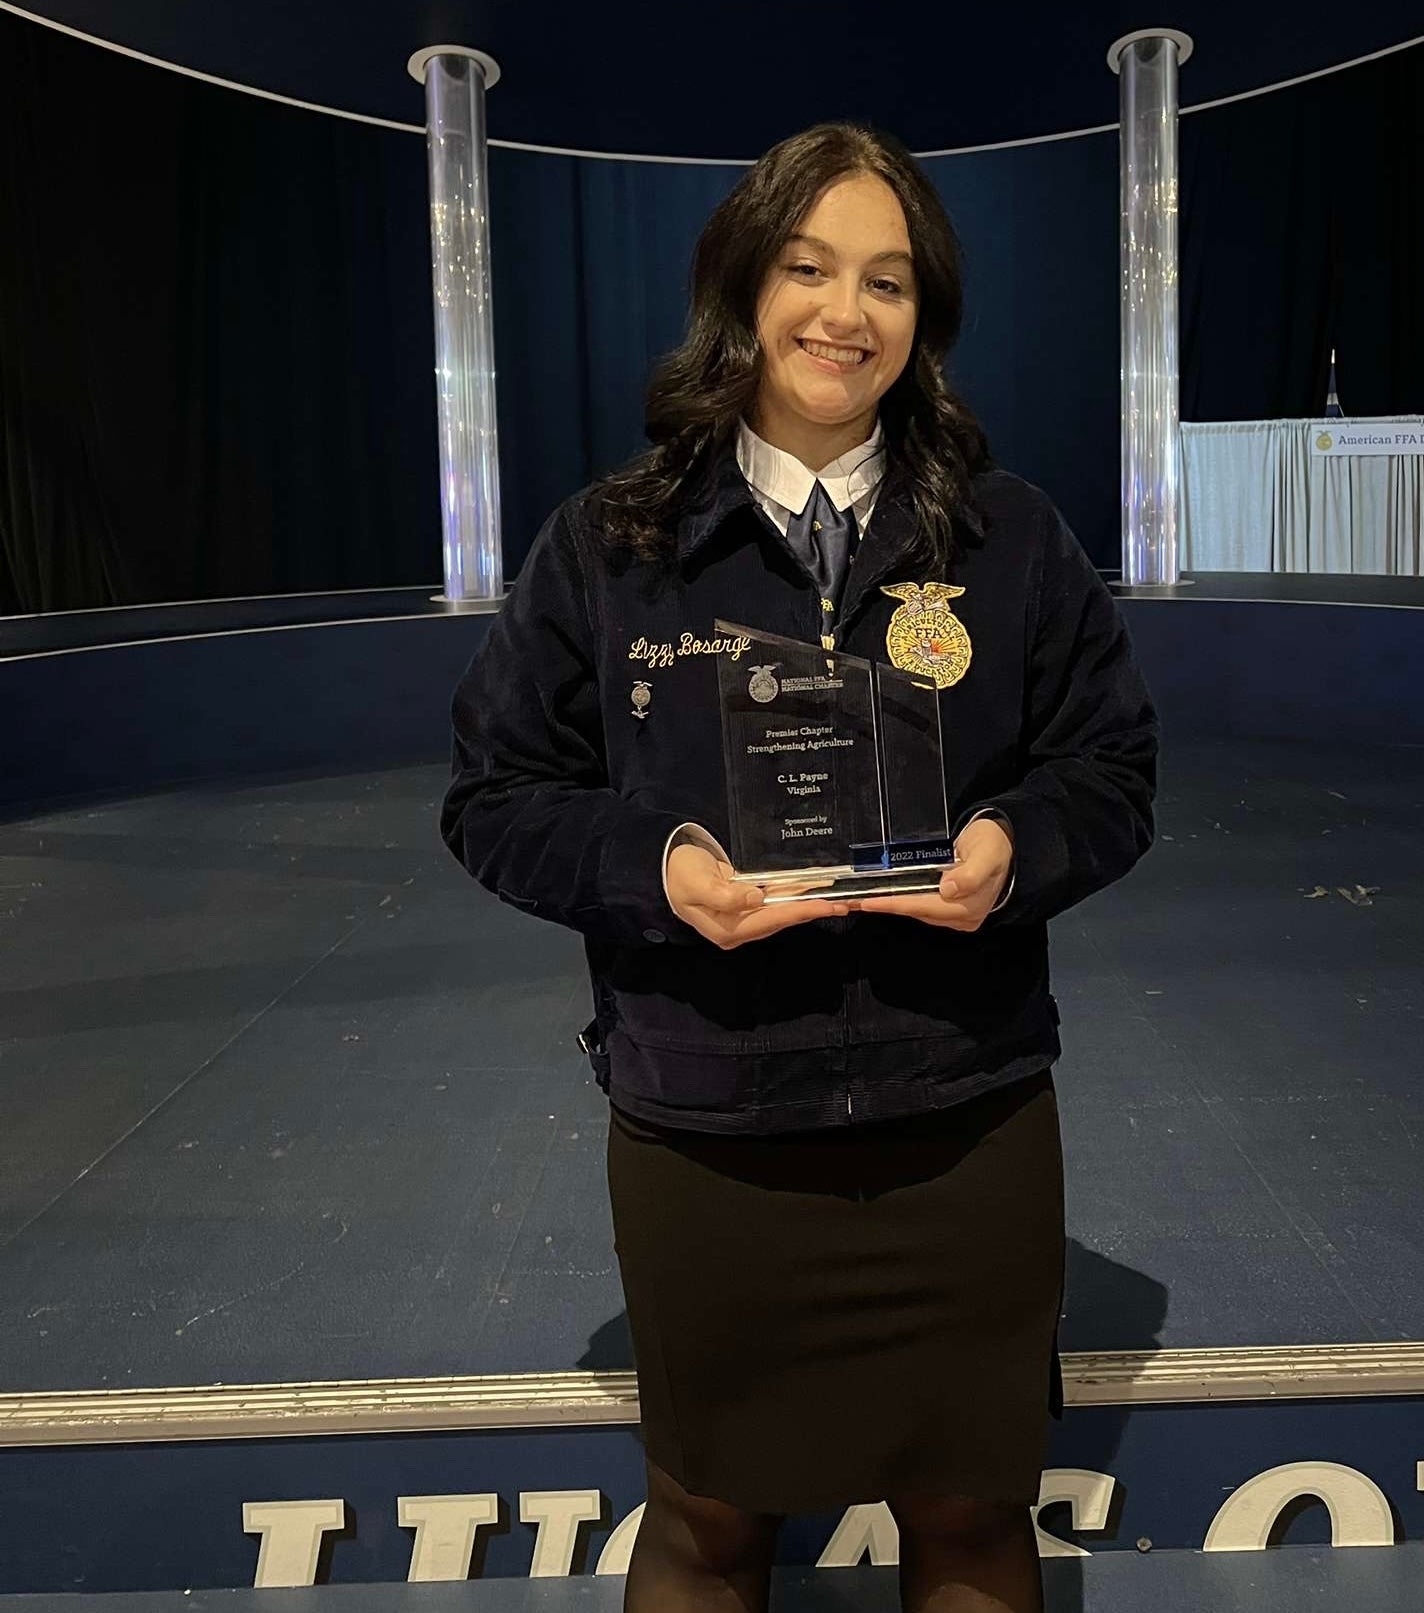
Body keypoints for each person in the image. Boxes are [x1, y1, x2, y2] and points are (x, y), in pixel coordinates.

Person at [442, 121, 1158, 1613]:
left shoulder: (1012, 539)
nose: (846, 313)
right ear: (742, 288)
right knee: (706, 1526)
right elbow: (497, 796)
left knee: (970, 1520)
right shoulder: (610, 546)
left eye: (888, 281)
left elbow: (1113, 771)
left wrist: (1014, 846)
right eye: (810, 267)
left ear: (927, 315)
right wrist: (656, 864)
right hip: (710, 1121)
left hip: (962, 1113)